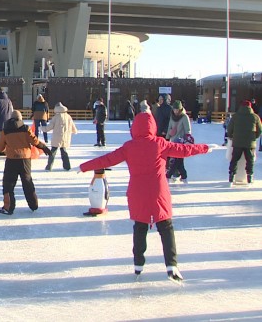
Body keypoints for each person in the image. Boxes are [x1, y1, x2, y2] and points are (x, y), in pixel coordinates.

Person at [79, 112, 210, 282]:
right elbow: (184, 150)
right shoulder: (160, 143)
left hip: (137, 193)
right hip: (158, 192)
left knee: (140, 228)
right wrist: (204, 148)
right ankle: (172, 265)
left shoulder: (129, 147)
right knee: (166, 228)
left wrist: (84, 166)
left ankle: (138, 264)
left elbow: (108, 159)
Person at [0, 110, 52, 215]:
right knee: (27, 182)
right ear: (20, 118)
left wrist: (3, 149)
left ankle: (8, 207)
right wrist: (45, 148)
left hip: (11, 160)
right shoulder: (25, 129)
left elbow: (0, 147)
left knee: (8, 184)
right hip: (25, 160)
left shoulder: (6, 130)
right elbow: (35, 141)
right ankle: (34, 205)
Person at [227, 100, 262, 185]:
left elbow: (229, 129)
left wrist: (231, 136)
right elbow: (260, 130)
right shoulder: (255, 117)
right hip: (250, 142)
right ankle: (249, 176)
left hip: (237, 142)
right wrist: (255, 137)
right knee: (249, 160)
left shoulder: (235, 116)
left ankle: (232, 175)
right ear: (250, 107)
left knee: (234, 159)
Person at [42, 102, 78, 171]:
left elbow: (49, 127)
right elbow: (72, 126)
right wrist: (74, 131)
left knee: (52, 152)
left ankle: (49, 166)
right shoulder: (68, 116)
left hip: (56, 137)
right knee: (64, 152)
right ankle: (67, 166)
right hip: (65, 137)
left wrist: (42, 128)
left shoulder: (56, 117)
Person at [165, 100, 193, 184]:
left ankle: (169, 176)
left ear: (180, 109)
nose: (176, 111)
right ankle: (183, 177)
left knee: (177, 160)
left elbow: (188, 131)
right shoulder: (172, 116)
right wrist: (167, 138)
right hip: (173, 141)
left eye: (177, 109)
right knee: (178, 161)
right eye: (174, 109)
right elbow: (169, 127)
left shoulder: (184, 117)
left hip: (181, 142)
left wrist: (186, 140)